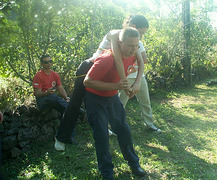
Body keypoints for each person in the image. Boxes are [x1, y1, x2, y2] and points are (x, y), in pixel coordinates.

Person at [55, 15, 148, 150]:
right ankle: (61, 138)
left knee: (108, 102)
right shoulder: (116, 34)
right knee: (75, 103)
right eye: (141, 32)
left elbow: (140, 60)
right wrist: (125, 84)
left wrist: (138, 82)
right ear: (133, 27)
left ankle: (104, 129)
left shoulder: (133, 40)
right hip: (89, 69)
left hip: (110, 72)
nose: (141, 36)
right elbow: (117, 59)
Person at [83, 27, 146, 179]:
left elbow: (141, 63)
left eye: (136, 45)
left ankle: (133, 163)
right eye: (130, 45)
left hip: (112, 98)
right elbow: (88, 82)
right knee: (102, 136)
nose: (134, 49)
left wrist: (136, 83)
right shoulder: (106, 59)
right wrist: (115, 86)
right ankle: (107, 172)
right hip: (95, 100)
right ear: (119, 43)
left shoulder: (133, 54)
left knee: (123, 129)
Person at [33, 54, 77, 143]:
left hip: (53, 100)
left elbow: (60, 88)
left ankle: (69, 137)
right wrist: (46, 93)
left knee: (68, 111)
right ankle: (75, 108)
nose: (48, 64)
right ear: (41, 64)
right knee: (52, 96)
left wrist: (66, 97)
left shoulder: (55, 75)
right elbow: (37, 93)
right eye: (46, 62)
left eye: (50, 61)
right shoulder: (38, 76)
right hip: (43, 101)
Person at [118, 41, 161, 133]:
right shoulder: (122, 42)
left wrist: (135, 65)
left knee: (145, 101)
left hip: (140, 77)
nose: (141, 34)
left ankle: (149, 124)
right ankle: (116, 126)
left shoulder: (139, 43)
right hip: (126, 78)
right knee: (120, 104)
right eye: (141, 31)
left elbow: (144, 59)